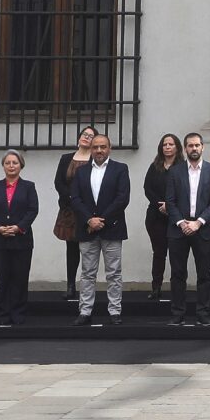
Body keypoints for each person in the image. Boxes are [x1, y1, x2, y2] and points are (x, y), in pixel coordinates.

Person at [69, 132, 130, 326]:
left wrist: (101, 220)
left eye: (103, 147)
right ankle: (85, 311)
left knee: (114, 273)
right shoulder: (81, 172)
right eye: (95, 147)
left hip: (112, 228)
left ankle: (115, 311)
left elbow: (122, 198)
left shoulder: (120, 169)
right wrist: (89, 219)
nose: (99, 150)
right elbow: (75, 199)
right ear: (91, 149)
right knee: (87, 272)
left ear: (109, 149)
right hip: (87, 230)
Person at [164, 133, 210, 326]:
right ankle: (177, 313)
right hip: (178, 229)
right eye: (190, 145)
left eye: (197, 145)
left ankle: (203, 313)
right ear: (185, 148)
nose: (194, 148)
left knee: (204, 274)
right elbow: (170, 201)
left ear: (202, 147)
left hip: (203, 229)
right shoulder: (175, 172)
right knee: (177, 274)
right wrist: (182, 223)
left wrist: (197, 223)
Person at [0, 150, 38, 327]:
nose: (11, 166)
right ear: (3, 166)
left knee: (19, 278)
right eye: (8, 163)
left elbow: (33, 210)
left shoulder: (29, 187)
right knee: (3, 278)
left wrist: (19, 227)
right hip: (0, 240)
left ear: (21, 165)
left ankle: (18, 313)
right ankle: (3, 314)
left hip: (21, 240)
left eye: (15, 162)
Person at [53, 125, 96, 300]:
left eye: (91, 136)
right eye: (84, 134)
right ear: (79, 138)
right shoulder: (66, 158)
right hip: (69, 209)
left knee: (88, 249)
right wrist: (71, 197)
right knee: (71, 248)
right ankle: (71, 286)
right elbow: (58, 182)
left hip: (87, 209)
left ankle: (87, 287)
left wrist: (81, 201)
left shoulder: (95, 159)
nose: (86, 137)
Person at [142, 134, 180, 301]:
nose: (168, 147)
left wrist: (170, 206)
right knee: (159, 253)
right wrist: (160, 205)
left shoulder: (182, 167)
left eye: (171, 144)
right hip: (155, 216)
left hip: (176, 217)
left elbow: (185, 191)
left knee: (176, 254)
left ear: (177, 147)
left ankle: (176, 289)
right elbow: (147, 188)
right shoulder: (155, 166)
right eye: (165, 144)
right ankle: (156, 287)